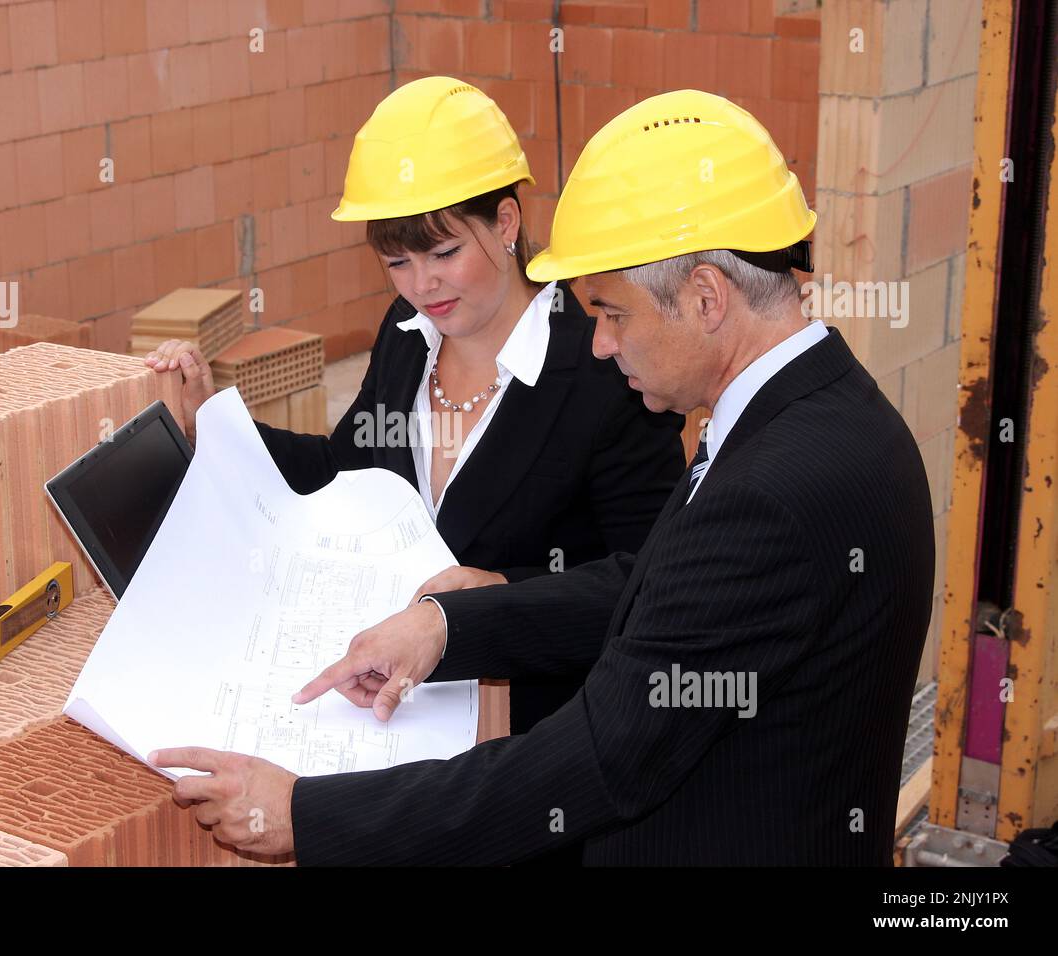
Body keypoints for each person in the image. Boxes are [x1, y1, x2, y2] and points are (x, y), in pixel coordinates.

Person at [148, 89, 937, 865]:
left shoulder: (778, 488)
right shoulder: (806, 415)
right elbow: (647, 602)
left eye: (614, 314)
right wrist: (450, 626)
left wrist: (312, 814)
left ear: (705, 297)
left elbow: (600, 755)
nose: (598, 343)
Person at [146, 76, 685, 743]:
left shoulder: (606, 371)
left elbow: (653, 581)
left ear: (507, 223)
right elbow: (342, 473)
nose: (422, 285)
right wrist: (214, 426)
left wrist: (501, 589)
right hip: (395, 714)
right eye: (397, 261)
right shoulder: (406, 337)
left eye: (445, 253)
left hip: (535, 737)